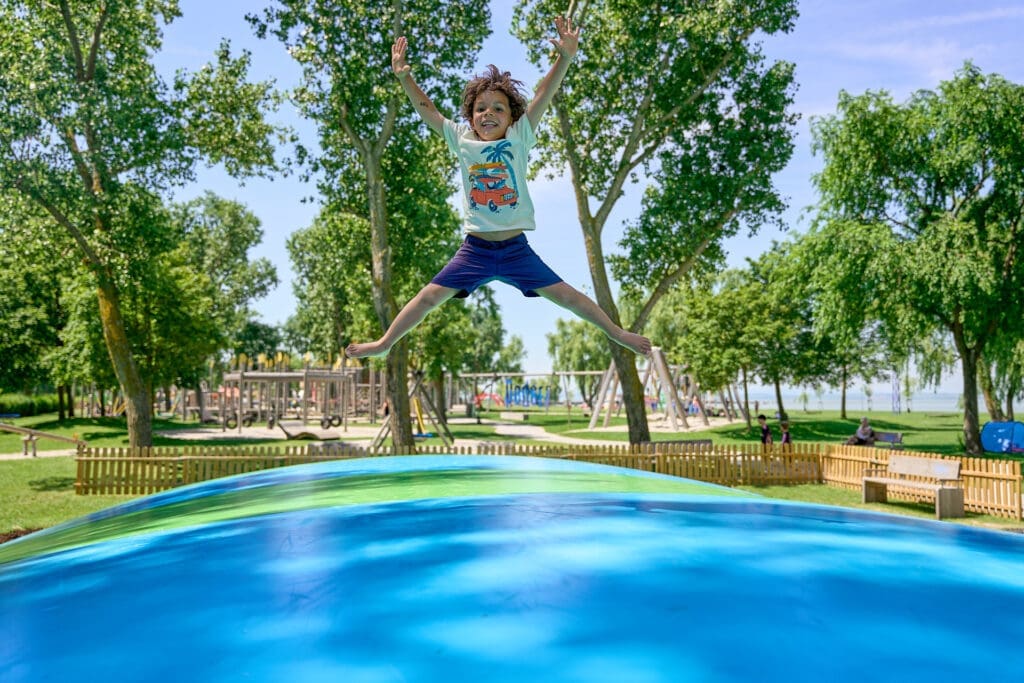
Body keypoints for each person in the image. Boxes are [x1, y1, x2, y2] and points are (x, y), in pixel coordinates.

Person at [345, 17, 652, 360]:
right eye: (480, 109)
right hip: (475, 251)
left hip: (516, 251)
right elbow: (427, 110)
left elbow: (542, 95)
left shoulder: (519, 137)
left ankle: (617, 332)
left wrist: (564, 58)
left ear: (511, 116)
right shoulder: (460, 139)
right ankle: (385, 343)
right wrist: (405, 77)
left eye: (497, 108)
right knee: (428, 298)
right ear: (470, 115)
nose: (487, 113)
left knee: (567, 296)